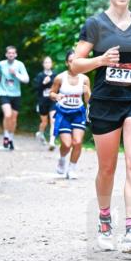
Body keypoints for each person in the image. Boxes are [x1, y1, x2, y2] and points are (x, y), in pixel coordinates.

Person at [69, 0, 131, 253]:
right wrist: (101, 60)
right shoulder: (96, 24)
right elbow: (74, 63)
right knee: (107, 168)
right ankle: (105, 219)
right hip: (105, 102)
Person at [50, 50, 91, 179]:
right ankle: (62, 159)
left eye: (76, 61)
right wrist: (56, 96)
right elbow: (51, 93)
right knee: (67, 144)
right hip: (63, 113)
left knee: (77, 142)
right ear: (67, 62)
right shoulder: (60, 78)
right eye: (71, 61)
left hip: (78, 113)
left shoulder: (85, 79)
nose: (74, 63)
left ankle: (71, 169)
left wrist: (87, 92)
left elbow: (88, 101)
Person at [0, 45, 29, 150]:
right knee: (8, 115)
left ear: (16, 54)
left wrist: (16, 74)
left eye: (13, 53)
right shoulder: (1, 64)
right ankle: (5, 136)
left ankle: (11, 139)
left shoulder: (20, 65)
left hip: (16, 94)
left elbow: (26, 80)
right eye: (9, 53)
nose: (11, 55)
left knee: (13, 119)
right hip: (4, 93)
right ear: (6, 54)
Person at [32, 57, 57, 150]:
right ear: (43, 64)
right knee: (44, 122)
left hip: (52, 101)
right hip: (42, 102)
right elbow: (35, 88)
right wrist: (43, 83)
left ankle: (52, 141)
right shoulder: (39, 76)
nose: (47, 64)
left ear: (51, 64)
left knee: (53, 121)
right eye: (46, 62)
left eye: (49, 62)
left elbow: (59, 87)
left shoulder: (55, 75)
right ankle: (40, 133)